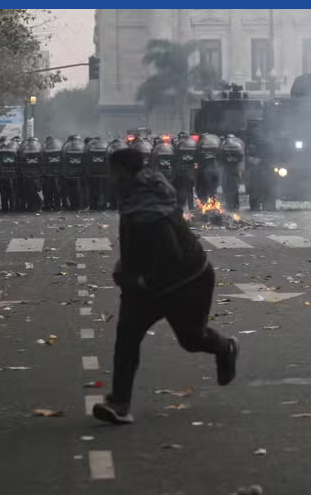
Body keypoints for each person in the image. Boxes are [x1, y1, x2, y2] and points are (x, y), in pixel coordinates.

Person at [92, 148, 240, 425]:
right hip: (148, 282)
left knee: (192, 339)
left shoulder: (147, 205)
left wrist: (137, 279)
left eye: (112, 171)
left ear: (123, 172)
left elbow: (168, 254)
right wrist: (129, 269)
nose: (109, 177)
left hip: (187, 280)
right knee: (127, 337)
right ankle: (121, 403)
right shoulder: (137, 192)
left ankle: (225, 348)